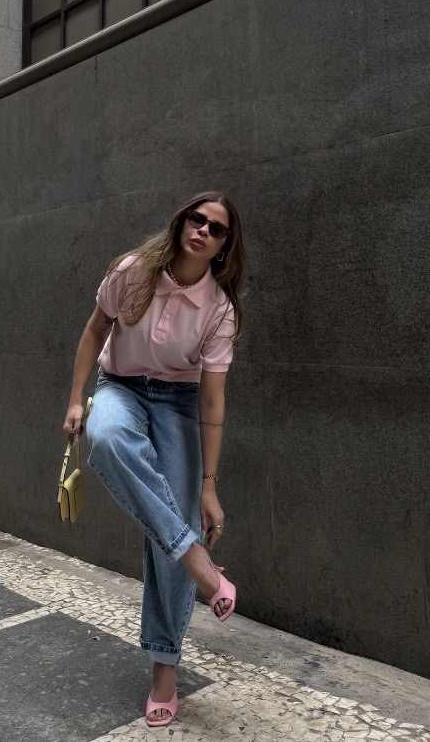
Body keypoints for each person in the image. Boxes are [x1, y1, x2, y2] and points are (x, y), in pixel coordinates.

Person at [63, 191, 247, 728]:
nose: (203, 230)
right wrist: (76, 399)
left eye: (216, 229)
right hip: (119, 385)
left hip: (179, 401)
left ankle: (164, 667)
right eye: (197, 219)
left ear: (223, 246)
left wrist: (209, 486)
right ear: (181, 222)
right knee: (107, 438)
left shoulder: (219, 311)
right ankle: (195, 559)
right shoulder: (133, 271)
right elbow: (95, 329)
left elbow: (212, 402)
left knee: (178, 516)